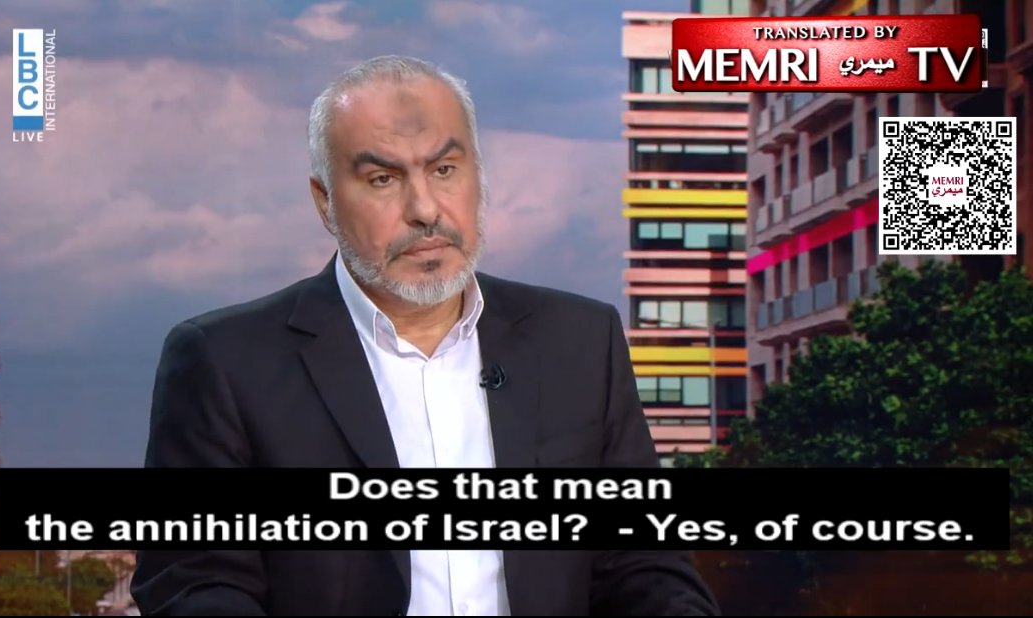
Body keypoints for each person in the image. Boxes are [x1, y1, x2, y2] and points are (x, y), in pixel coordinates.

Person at [131, 55, 719, 617]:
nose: (425, 209)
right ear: (326, 203)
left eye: (444, 170)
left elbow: (643, 562)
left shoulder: (581, 341)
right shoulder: (224, 362)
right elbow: (195, 580)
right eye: (383, 178)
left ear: (477, 176)